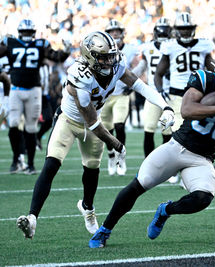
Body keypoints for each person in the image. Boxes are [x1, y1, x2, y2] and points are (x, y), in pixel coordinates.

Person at [88, 44, 215, 248]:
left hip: (202, 158)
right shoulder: (205, 78)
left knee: (203, 198)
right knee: (138, 185)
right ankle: (104, 230)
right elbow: (186, 110)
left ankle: (166, 210)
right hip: (177, 147)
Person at [16, 31, 175, 239]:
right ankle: (32, 218)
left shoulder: (116, 66)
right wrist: (117, 144)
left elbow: (139, 85)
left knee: (91, 169)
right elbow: (92, 123)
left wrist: (166, 106)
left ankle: (87, 208)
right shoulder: (79, 76)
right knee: (51, 164)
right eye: (104, 57)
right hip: (69, 121)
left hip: (94, 124)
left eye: (111, 55)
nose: (110, 61)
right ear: (89, 56)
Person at [0, 19, 70, 174]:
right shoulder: (10, 43)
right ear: (19, 32)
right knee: (13, 124)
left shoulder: (40, 45)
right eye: (24, 32)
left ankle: (30, 164)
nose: (26, 35)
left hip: (34, 90)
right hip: (15, 90)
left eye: (29, 32)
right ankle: (16, 158)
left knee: (31, 128)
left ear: (33, 33)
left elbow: (56, 57)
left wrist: (65, 50)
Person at [154, 12, 215, 133]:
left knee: (198, 129)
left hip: (198, 92)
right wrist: (160, 89)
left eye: (188, 28)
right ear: (176, 30)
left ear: (193, 29)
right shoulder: (170, 46)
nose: (185, 31)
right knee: (178, 129)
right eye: (182, 29)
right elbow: (158, 73)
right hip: (177, 93)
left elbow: (214, 70)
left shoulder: (204, 45)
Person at [101, 19, 140, 176]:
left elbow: (138, 68)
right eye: (111, 31)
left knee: (119, 126)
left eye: (117, 30)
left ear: (122, 32)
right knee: (107, 130)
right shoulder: (101, 49)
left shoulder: (130, 49)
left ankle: (120, 156)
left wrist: (132, 85)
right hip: (105, 96)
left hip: (122, 95)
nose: (115, 33)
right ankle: (111, 155)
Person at [132, 17, 173, 157]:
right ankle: (148, 165)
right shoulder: (147, 47)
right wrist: (129, 79)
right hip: (153, 93)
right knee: (148, 129)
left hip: (169, 93)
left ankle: (169, 167)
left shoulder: (174, 46)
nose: (162, 34)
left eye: (165, 31)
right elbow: (142, 67)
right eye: (161, 31)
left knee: (167, 132)